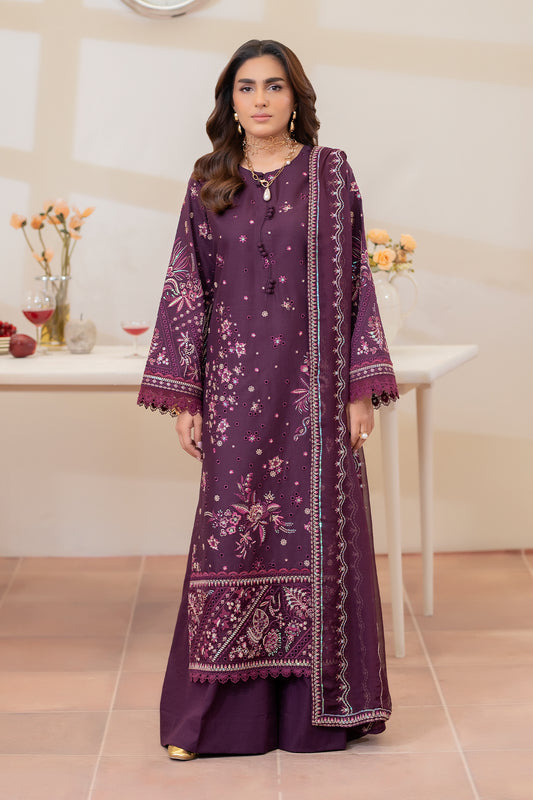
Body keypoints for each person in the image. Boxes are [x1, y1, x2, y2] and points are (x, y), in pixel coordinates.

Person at [137, 39, 399, 760]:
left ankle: (315, 717)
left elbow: (356, 282)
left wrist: (358, 389)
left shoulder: (328, 173)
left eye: (273, 86)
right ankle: (214, 720)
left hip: (313, 397)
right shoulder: (208, 179)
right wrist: (185, 394)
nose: (258, 99)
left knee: (314, 536)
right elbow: (186, 288)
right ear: (230, 102)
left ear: (295, 98)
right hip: (232, 395)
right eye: (245, 87)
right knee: (230, 540)